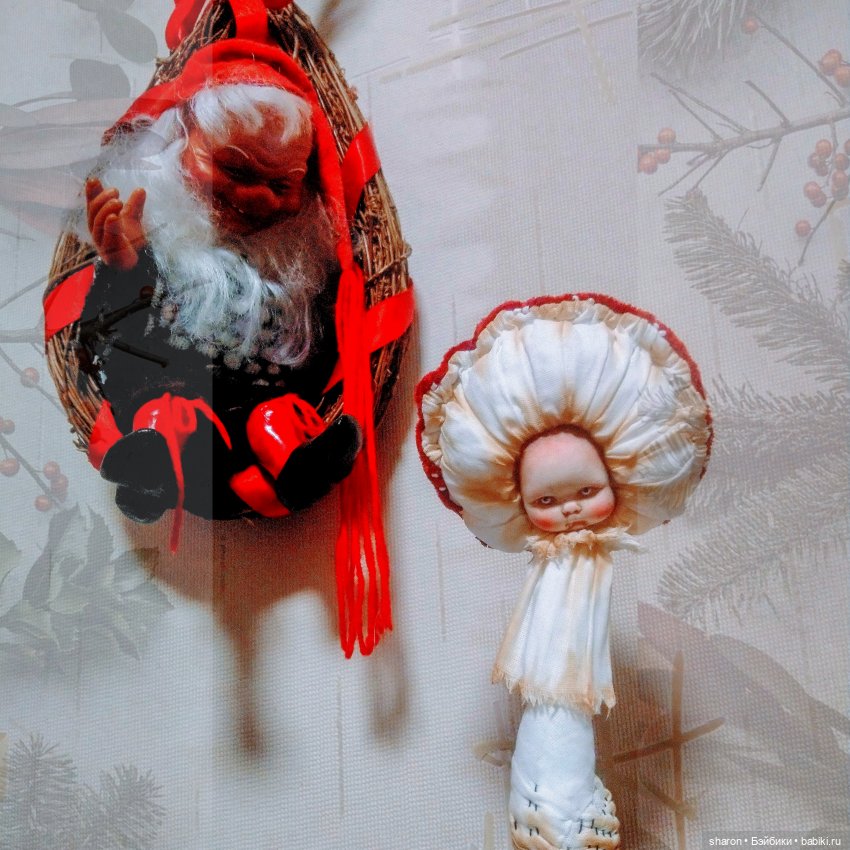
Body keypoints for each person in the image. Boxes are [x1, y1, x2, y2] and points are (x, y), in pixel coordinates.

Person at [78, 52, 362, 536]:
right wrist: (124, 269)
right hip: (174, 403)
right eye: (235, 170)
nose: (257, 199)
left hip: (260, 411)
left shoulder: (301, 267)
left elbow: (329, 345)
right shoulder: (151, 244)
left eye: (282, 185)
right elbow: (106, 348)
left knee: (278, 418)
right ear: (179, 140)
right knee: (168, 417)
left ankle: (300, 464)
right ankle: (150, 470)